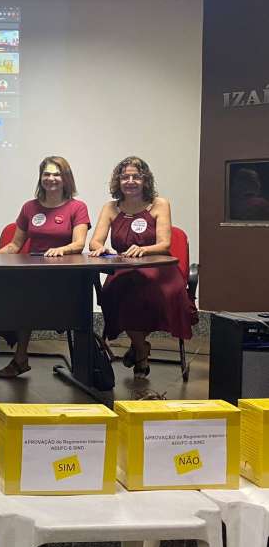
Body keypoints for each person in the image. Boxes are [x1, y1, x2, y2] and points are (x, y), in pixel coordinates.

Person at [89, 156, 197, 379]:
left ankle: (138, 350)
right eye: (125, 177)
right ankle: (141, 348)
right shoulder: (110, 207)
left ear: (145, 180)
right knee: (113, 293)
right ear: (118, 181)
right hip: (124, 268)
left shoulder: (160, 204)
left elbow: (164, 244)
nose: (130, 181)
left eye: (136, 177)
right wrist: (103, 249)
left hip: (160, 269)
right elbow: (94, 242)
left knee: (149, 294)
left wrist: (144, 249)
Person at [0, 155, 90, 378]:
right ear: (40, 178)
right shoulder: (30, 207)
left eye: (57, 174)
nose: (51, 178)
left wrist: (61, 250)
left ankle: (21, 358)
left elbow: (79, 244)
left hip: (64, 276)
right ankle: (20, 357)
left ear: (66, 179)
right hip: (33, 274)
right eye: (46, 174)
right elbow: (15, 245)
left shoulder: (77, 207)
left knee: (26, 299)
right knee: (7, 297)